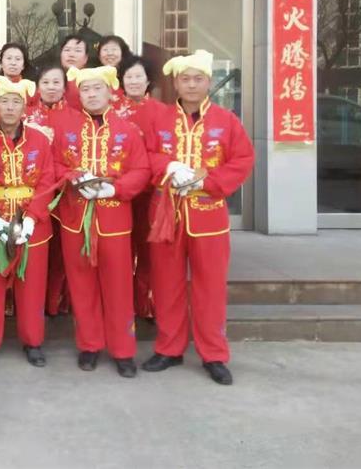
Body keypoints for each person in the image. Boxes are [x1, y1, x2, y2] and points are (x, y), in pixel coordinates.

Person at [142, 50, 255, 386]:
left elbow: (242, 160)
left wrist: (208, 181)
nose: (191, 85)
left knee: (210, 287)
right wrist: (168, 166)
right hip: (167, 214)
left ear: (208, 82)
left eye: (198, 79)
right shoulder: (159, 119)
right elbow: (145, 155)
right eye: (185, 79)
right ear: (176, 83)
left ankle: (214, 354)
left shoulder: (226, 121)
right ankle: (169, 348)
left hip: (208, 216)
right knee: (166, 285)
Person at [52, 65, 150, 378]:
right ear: (78, 94)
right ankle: (89, 345)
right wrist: (72, 177)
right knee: (81, 286)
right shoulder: (66, 128)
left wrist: (116, 188)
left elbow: (142, 170)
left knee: (119, 287)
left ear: (110, 92)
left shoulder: (127, 130)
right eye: (86, 89)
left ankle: (123, 350)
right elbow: (53, 164)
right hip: (75, 219)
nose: (92, 94)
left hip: (115, 221)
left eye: (98, 88)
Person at [0, 77, 56, 369]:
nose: (10, 107)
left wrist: (33, 218)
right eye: (4, 102)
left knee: (32, 287)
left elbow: (47, 182)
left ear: (25, 108)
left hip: (33, 226)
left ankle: (33, 341)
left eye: (16, 102)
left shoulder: (40, 140)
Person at [114, 56, 168, 320]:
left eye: (139, 76)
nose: (134, 81)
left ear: (148, 81)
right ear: (121, 81)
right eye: (129, 77)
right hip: (117, 192)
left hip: (150, 192)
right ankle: (122, 304)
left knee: (149, 250)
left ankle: (145, 303)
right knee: (121, 251)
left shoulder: (162, 112)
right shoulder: (111, 111)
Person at [25, 64, 73, 316]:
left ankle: (55, 303)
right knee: (35, 249)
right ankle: (30, 303)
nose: (51, 87)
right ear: (37, 86)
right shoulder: (27, 116)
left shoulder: (76, 117)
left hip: (67, 192)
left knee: (62, 252)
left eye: (56, 82)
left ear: (65, 87)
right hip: (35, 193)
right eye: (46, 82)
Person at [59, 33, 90, 111]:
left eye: (78, 50)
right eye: (67, 50)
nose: (71, 55)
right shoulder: (51, 80)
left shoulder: (94, 80)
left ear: (86, 58)